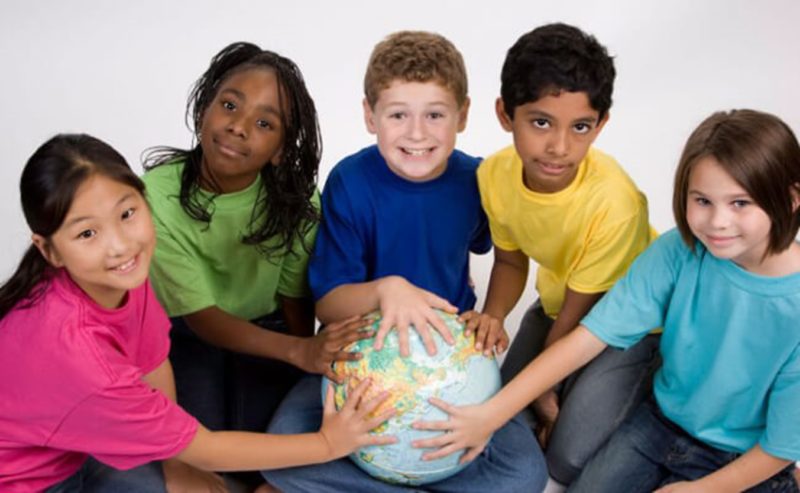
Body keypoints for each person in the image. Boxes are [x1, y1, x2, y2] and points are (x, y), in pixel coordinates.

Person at [414, 109, 800, 492]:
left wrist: (702, 490)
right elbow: (589, 338)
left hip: (743, 457)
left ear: (791, 198)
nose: (717, 222)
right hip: (660, 425)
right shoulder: (679, 251)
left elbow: (781, 446)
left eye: (740, 203)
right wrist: (490, 414)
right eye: (702, 200)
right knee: (568, 473)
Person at [0, 134, 397, 492]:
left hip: (74, 446)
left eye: (127, 214)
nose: (120, 245)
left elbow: (152, 360)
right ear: (48, 249)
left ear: (144, 198)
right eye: (87, 233)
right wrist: (327, 443)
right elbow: (205, 447)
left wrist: (175, 462)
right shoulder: (78, 353)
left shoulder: (119, 276)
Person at [262, 31, 547, 493]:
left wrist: (493, 314)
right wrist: (386, 289)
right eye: (398, 115)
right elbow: (329, 305)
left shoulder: (478, 180)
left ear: (463, 115)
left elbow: (510, 259)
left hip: (451, 364)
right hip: (359, 362)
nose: (417, 134)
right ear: (369, 116)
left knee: (527, 474)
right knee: (281, 452)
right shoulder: (350, 182)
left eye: (435, 114)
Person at [462, 23, 660, 485]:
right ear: (505, 114)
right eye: (541, 122)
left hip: (633, 326)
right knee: (500, 412)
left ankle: (655, 385)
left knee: (566, 459)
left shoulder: (615, 203)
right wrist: (494, 314)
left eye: (580, 127)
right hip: (560, 304)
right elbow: (510, 261)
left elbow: (585, 310)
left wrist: (545, 390)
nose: (559, 147)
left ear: (601, 125)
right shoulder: (494, 175)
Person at [142, 42, 369, 443]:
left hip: (270, 328)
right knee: (201, 443)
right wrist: (298, 351)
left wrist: (305, 359)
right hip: (185, 329)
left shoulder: (298, 201)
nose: (239, 126)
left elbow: (295, 298)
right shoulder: (155, 197)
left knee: (270, 441)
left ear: (280, 150)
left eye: (265, 124)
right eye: (229, 105)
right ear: (204, 108)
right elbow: (200, 316)